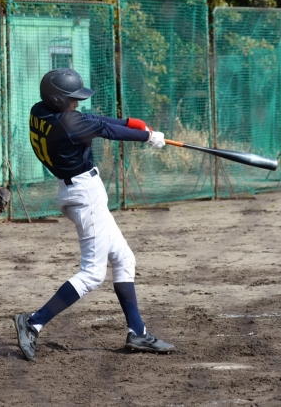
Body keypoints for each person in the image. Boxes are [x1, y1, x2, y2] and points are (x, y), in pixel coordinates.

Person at [14, 68, 174, 362]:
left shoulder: (41, 110)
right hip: (84, 194)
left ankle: (137, 332)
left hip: (78, 190)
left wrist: (131, 123)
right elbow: (105, 130)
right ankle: (34, 322)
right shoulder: (67, 123)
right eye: (72, 98)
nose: (77, 102)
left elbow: (94, 121)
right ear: (58, 100)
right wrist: (147, 136)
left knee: (124, 258)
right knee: (92, 273)